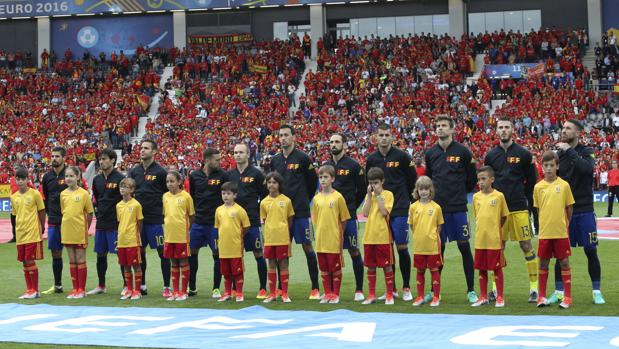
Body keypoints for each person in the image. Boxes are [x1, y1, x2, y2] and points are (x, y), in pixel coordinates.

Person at [484, 117, 538, 303]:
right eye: (501, 127)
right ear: (496, 131)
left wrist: (529, 205)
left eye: (507, 127)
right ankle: (494, 289)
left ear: (512, 130)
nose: (504, 130)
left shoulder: (523, 153)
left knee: (526, 245)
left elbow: (531, 182)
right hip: (497, 209)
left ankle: (534, 289)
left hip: (518, 207)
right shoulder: (491, 155)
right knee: (499, 248)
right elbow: (487, 181)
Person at [425, 115, 478, 303]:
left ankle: (471, 290)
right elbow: (429, 179)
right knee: (439, 249)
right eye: (438, 126)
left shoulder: (463, 152)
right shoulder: (430, 153)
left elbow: (472, 179)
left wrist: (459, 193)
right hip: (438, 209)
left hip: (458, 208)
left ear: (452, 129)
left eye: (444, 126)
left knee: (464, 247)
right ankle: (434, 290)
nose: (440, 129)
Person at [553, 120, 605, 305]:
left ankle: (596, 291)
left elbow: (587, 169)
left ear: (578, 132)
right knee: (560, 253)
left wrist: (569, 150)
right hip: (564, 211)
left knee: (591, 250)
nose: (564, 131)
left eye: (568, 128)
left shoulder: (585, 152)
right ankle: (559, 291)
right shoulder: (558, 154)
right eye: (563, 128)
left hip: (584, 209)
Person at [365, 123, 416, 301]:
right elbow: (370, 182)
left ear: (392, 137)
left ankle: (406, 287)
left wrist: (408, 202)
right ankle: (391, 288)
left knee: (401, 247)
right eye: (381, 135)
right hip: (380, 209)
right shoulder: (371, 159)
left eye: (387, 135)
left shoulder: (402, 156)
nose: (384, 138)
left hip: (400, 208)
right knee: (387, 249)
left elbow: (412, 181)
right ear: (376, 137)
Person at [271, 125, 320, 299]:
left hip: (300, 211)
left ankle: (315, 287)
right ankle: (280, 288)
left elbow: (313, 183)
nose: (283, 138)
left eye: (286, 135)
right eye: (280, 135)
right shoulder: (275, 160)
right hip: (281, 212)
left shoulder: (303, 158)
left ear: (294, 137)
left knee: (307, 246)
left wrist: (302, 200)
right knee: (282, 249)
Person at [325, 133, 366, 301]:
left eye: (337, 142)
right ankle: (332, 291)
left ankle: (359, 289)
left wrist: (350, 207)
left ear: (344, 144)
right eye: (331, 142)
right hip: (330, 218)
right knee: (331, 253)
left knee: (354, 251)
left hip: (348, 217)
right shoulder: (326, 165)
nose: (334, 144)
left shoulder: (354, 165)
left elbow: (362, 190)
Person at [129, 139, 170, 297]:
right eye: (141, 148)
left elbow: (166, 195)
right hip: (138, 220)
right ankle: (142, 284)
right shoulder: (134, 171)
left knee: (163, 253)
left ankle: (167, 286)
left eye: (146, 148)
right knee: (140, 252)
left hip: (155, 220)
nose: (142, 150)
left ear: (154, 152)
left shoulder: (160, 172)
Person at [534, 151, 575, 309]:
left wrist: (566, 224)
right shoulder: (538, 187)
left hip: (560, 232)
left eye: (552, 165)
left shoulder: (564, 185)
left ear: (557, 166)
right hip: (545, 232)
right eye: (546, 166)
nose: (549, 168)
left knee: (564, 262)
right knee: (543, 263)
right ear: (542, 167)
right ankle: (541, 297)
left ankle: (568, 297)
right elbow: (539, 210)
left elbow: (569, 207)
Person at [228, 143, 268, 299]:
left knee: (258, 253)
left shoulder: (257, 174)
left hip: (251, 221)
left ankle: (263, 288)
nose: (237, 155)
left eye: (241, 152)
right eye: (235, 152)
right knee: (234, 256)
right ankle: (234, 288)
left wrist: (258, 212)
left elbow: (264, 196)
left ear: (248, 154)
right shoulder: (229, 175)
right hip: (233, 222)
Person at [188, 148, 229, 298]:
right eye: (216, 159)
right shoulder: (194, 176)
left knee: (217, 254)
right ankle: (192, 287)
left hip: (215, 224)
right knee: (192, 253)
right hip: (198, 222)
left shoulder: (223, 175)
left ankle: (216, 288)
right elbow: (192, 196)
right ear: (206, 160)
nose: (219, 162)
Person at [88, 149, 125, 296]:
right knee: (100, 255)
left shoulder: (120, 178)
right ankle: (101, 285)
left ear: (112, 160)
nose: (101, 162)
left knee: (120, 255)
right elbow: (96, 199)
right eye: (100, 159)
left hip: (115, 223)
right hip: (101, 223)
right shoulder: (97, 180)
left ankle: (126, 285)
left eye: (104, 159)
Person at [312, 165, 351, 304]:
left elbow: (344, 218)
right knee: (323, 268)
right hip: (321, 238)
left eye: (326, 177)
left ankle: (336, 294)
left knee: (335, 267)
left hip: (333, 237)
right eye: (321, 177)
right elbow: (316, 219)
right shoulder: (316, 198)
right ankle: (327, 293)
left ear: (332, 179)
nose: (323, 180)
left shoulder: (338, 197)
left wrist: (338, 232)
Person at [471, 166, 509, 308]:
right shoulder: (476, 197)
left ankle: (500, 297)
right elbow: (477, 216)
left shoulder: (499, 196)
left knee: (496, 268)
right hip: (480, 239)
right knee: (481, 268)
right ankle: (483, 296)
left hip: (494, 240)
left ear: (492, 179)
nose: (480, 182)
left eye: (483, 179)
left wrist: (495, 228)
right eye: (479, 179)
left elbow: (504, 217)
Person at [361, 167, 396, 305]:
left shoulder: (388, 194)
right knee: (370, 266)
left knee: (386, 266)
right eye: (371, 183)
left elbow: (384, 212)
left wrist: (378, 196)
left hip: (383, 236)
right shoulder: (369, 195)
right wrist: (370, 196)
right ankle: (371, 295)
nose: (373, 186)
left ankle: (389, 294)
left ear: (382, 181)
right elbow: (365, 213)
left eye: (376, 182)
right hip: (369, 236)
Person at [408, 176, 443, 307]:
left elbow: (439, 226)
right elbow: (411, 225)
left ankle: (436, 297)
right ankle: (420, 296)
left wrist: (432, 236)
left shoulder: (436, 207)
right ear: (417, 190)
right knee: (420, 271)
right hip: (419, 245)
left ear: (430, 190)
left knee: (434, 270)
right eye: (421, 189)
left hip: (432, 245)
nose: (423, 192)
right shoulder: (413, 207)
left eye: (426, 189)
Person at [11, 167, 45, 299]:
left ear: (27, 179)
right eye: (17, 179)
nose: (20, 182)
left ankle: (35, 290)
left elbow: (42, 211)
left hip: (32, 232)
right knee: (24, 262)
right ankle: (29, 289)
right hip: (20, 233)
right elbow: (14, 215)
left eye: (22, 179)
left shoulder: (35, 194)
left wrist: (42, 226)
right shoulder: (14, 197)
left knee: (29, 260)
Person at [60, 166, 94, 299]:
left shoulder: (84, 193)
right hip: (67, 230)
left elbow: (90, 213)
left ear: (78, 177)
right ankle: (75, 288)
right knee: (72, 260)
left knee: (80, 260)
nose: (68, 178)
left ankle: (82, 289)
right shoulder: (63, 194)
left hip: (80, 231)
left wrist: (85, 228)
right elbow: (64, 211)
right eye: (66, 176)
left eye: (71, 176)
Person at [260, 172, 294, 303]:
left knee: (283, 264)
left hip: (282, 238)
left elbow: (290, 219)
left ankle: (284, 293)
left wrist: (283, 229)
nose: (271, 185)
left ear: (279, 184)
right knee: (271, 264)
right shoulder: (263, 202)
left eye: (274, 182)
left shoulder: (286, 200)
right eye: (269, 182)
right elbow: (264, 219)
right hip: (269, 238)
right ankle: (272, 294)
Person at [215, 181, 250, 302]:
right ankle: (227, 293)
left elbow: (246, 226)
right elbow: (218, 226)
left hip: (235, 246)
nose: (225, 196)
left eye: (228, 193)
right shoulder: (218, 210)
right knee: (226, 272)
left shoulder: (239, 210)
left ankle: (239, 293)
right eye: (223, 193)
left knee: (237, 272)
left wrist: (238, 237)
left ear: (234, 195)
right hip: (223, 247)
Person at [162, 171, 195, 301]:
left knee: (183, 262)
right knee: (173, 262)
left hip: (182, 235)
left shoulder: (186, 197)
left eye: (172, 181)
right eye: (167, 182)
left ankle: (183, 291)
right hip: (169, 236)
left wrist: (186, 229)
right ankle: (175, 291)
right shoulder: (165, 196)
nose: (169, 184)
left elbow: (191, 215)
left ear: (179, 182)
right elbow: (166, 215)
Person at [40, 146, 69, 294]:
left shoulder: (70, 174)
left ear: (64, 158)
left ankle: (78, 287)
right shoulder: (47, 177)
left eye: (57, 156)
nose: (54, 159)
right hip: (53, 220)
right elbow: (45, 196)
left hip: (69, 220)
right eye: (52, 156)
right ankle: (58, 285)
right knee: (55, 253)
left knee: (74, 253)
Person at [116, 178, 144, 300]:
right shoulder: (118, 205)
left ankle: (137, 291)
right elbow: (120, 222)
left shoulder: (136, 204)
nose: (122, 188)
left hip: (133, 240)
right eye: (121, 186)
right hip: (122, 241)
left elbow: (140, 222)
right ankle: (129, 290)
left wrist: (136, 235)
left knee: (136, 265)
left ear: (132, 190)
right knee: (125, 266)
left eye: (126, 186)